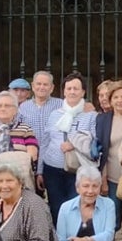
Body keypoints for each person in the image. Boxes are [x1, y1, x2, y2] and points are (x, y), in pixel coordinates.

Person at [39, 71, 96, 224]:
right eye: (69, 88)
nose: (72, 92)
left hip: (78, 170)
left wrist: (74, 144)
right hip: (52, 168)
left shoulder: (90, 115)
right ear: (64, 91)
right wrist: (40, 170)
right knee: (56, 207)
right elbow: (45, 142)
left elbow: (95, 142)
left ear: (83, 92)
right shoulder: (54, 114)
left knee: (75, 207)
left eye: (76, 89)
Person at [0, 91, 39, 184]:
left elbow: (32, 156)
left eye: (7, 106)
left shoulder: (26, 130)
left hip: (20, 180)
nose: (3, 109)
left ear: (15, 110)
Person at [96, 79, 122, 216]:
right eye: (115, 97)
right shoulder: (103, 120)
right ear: (111, 101)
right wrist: (103, 179)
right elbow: (102, 150)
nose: (120, 101)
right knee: (114, 218)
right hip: (112, 178)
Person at [18, 71, 63, 174]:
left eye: (45, 84)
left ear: (51, 88)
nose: (41, 87)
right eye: (38, 84)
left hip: (52, 157)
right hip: (30, 156)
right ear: (33, 86)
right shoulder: (23, 107)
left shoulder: (60, 105)